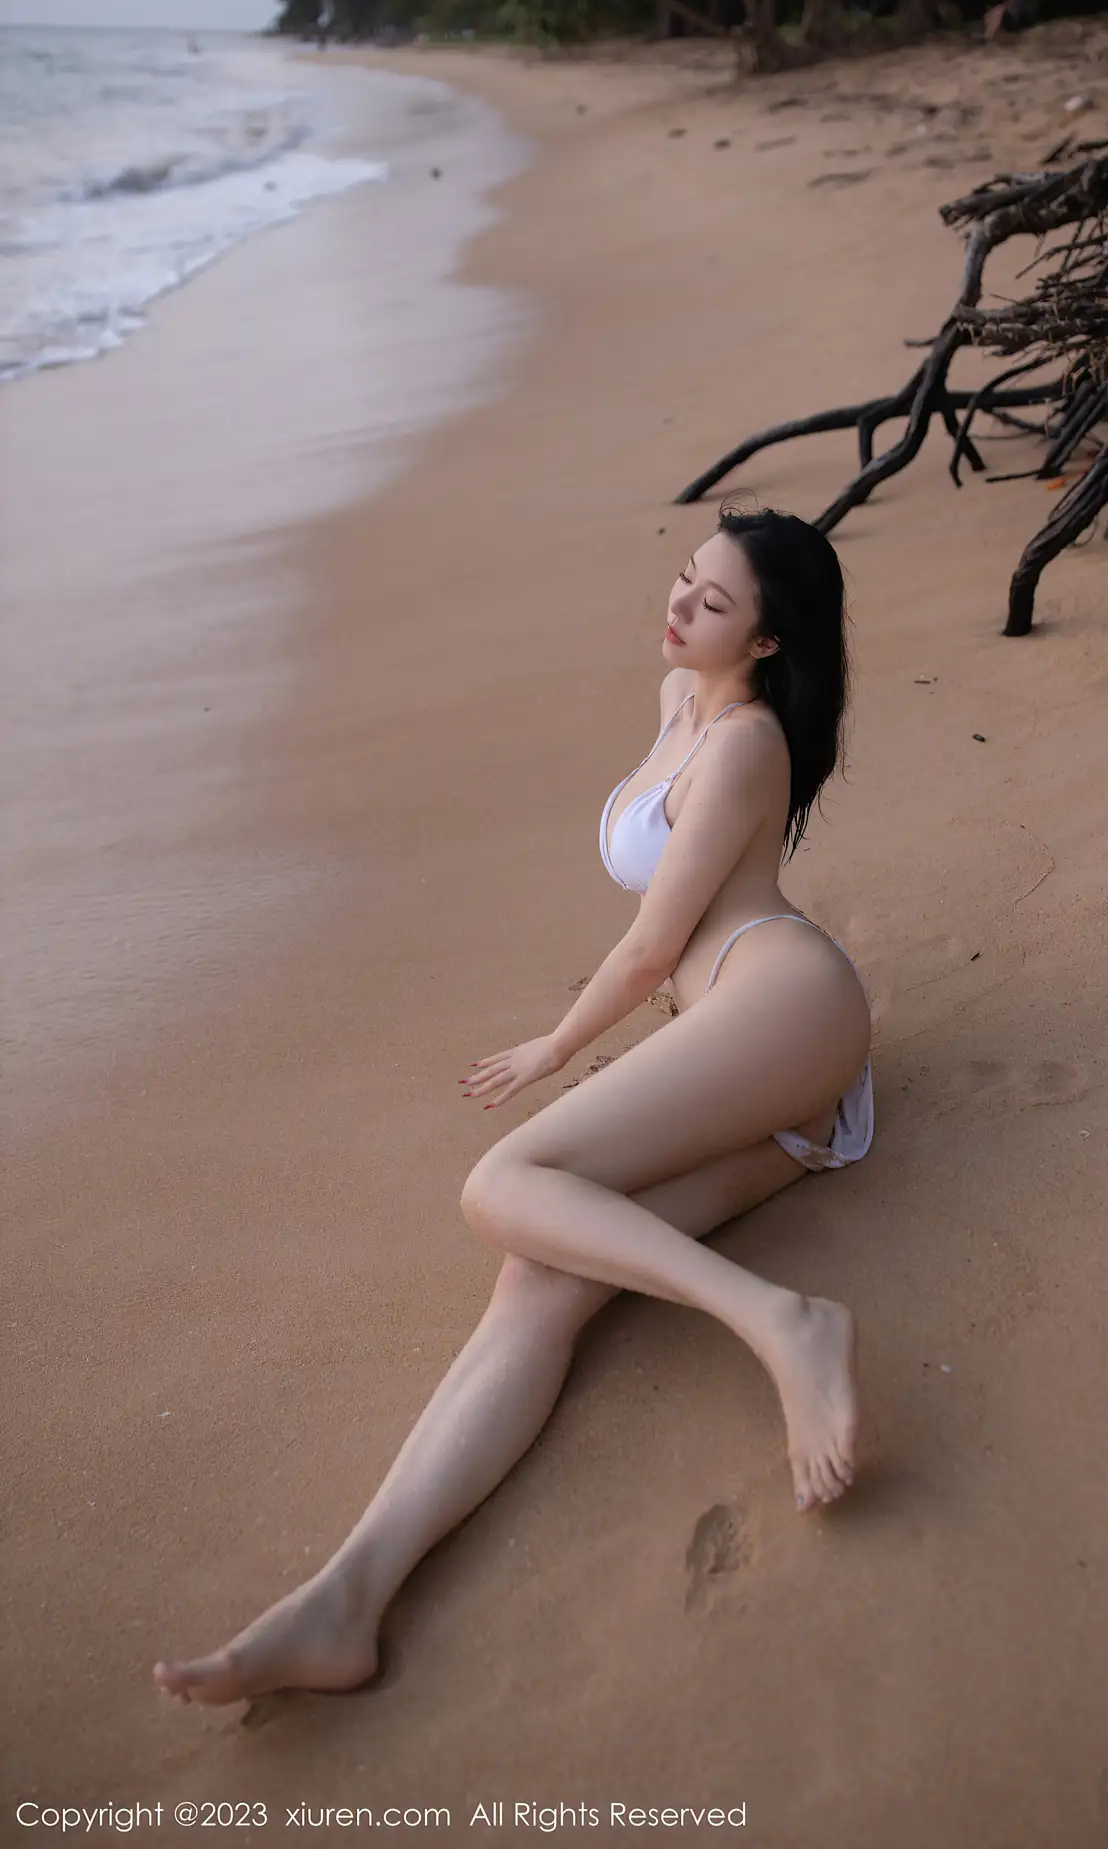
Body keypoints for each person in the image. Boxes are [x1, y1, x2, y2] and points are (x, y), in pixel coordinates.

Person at [152, 506, 875, 1707]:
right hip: (740, 1051)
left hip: (783, 1001)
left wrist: (555, 1045)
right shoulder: (678, 700)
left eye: (711, 603)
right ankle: (345, 1599)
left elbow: (652, 946)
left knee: (500, 1184)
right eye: (683, 578)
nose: (679, 605)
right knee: (538, 1276)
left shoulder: (746, 743)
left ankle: (778, 1322)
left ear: (764, 641)